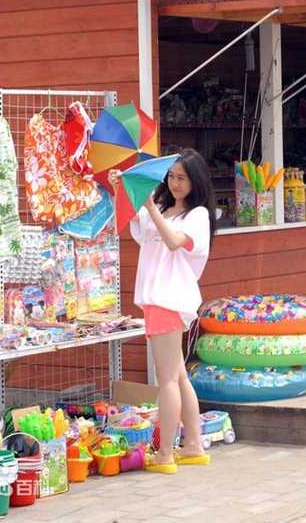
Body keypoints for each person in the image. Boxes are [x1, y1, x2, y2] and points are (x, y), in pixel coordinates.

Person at [109, 148, 217, 474]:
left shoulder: (196, 215)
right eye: (171, 177)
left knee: (167, 378)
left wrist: (150, 206)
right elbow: (128, 224)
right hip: (160, 299)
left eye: (182, 177)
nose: (175, 183)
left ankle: (166, 452)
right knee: (179, 376)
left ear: (195, 180)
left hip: (169, 299)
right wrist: (119, 188)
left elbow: (173, 241)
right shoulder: (164, 208)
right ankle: (194, 444)